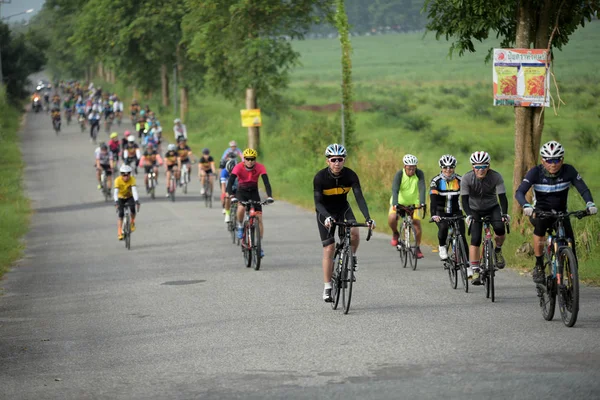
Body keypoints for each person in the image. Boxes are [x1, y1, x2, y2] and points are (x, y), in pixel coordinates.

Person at [515, 141, 597, 284]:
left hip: (561, 213)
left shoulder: (569, 171)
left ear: (562, 160)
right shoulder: (535, 172)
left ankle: (572, 278)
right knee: (539, 229)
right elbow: (520, 192)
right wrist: (526, 206)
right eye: (549, 160)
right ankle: (539, 264)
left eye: (557, 160)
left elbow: (583, 188)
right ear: (543, 160)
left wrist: (590, 203)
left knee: (570, 241)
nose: (553, 164)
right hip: (540, 213)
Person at [313, 143, 375, 302]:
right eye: (333, 159)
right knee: (329, 248)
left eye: (340, 159)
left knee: (354, 230)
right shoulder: (320, 178)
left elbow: (359, 198)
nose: (336, 163)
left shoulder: (350, 175)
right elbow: (318, 203)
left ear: (344, 160)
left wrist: (367, 218)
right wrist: (326, 216)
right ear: (327, 161)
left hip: (343, 209)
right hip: (325, 212)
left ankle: (352, 256)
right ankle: (327, 287)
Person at [461, 151, 509, 285]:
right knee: (475, 238)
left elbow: (502, 198)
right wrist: (469, 215)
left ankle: (498, 250)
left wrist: (504, 214)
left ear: (488, 166)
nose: (480, 170)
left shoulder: (496, 177)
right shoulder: (466, 178)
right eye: (477, 167)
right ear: (473, 167)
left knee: (500, 228)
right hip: (474, 209)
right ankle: (475, 269)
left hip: (492, 207)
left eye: (483, 166)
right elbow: (464, 200)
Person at [226, 148, 274, 256]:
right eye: (247, 159)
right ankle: (240, 226)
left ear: (255, 159)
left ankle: (259, 245)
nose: (250, 161)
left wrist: (269, 196)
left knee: (259, 219)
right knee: (242, 208)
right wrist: (232, 196)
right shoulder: (238, 167)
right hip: (241, 192)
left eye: (252, 159)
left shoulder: (260, 167)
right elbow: (230, 183)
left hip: (253, 192)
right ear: (244, 159)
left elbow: (266, 183)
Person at [430, 154, 468, 262]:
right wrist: (434, 214)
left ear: (454, 167)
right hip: (440, 211)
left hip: (456, 211)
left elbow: (466, 199)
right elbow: (433, 200)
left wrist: (470, 213)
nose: (448, 170)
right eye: (445, 167)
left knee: (462, 236)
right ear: (441, 168)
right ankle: (442, 246)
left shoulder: (461, 180)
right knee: (443, 228)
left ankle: (468, 265)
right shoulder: (436, 181)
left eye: (451, 167)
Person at [388, 154, 426, 258]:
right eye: (409, 168)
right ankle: (395, 233)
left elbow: (422, 188)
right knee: (392, 218)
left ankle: (417, 247)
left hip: (413, 203)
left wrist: (422, 202)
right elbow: (395, 189)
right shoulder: (399, 174)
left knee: (417, 224)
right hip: (399, 202)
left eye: (413, 168)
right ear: (405, 167)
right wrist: (395, 203)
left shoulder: (419, 174)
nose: (411, 170)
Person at [113, 165, 140, 240]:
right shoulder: (117, 180)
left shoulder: (132, 179)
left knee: (132, 209)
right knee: (121, 214)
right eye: (123, 175)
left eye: (128, 174)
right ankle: (119, 232)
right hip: (120, 198)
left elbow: (134, 191)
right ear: (121, 174)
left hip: (129, 197)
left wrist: (136, 200)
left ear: (130, 174)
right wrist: (116, 202)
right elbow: (115, 193)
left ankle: (132, 222)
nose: (126, 177)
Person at [221, 158, 238, 222]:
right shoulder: (224, 172)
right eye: (229, 172)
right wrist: (224, 194)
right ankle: (227, 214)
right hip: (229, 187)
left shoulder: (240, 170)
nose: (231, 174)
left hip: (237, 187)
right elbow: (223, 185)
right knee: (227, 197)